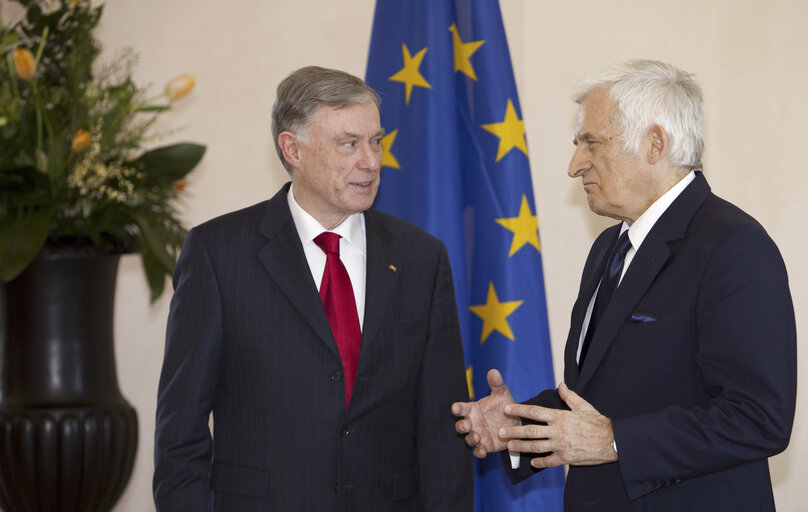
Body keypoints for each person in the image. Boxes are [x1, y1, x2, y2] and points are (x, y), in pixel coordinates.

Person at [452, 59, 796, 511]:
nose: (575, 165)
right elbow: (603, 396)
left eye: (591, 143)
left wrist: (615, 442)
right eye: (578, 145)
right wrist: (516, 426)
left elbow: (758, 418)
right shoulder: (610, 247)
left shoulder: (733, 246)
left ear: (655, 143)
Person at [154, 66, 473, 511]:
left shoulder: (422, 257)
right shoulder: (218, 253)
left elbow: (442, 434)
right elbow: (179, 434)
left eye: (375, 141)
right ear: (293, 149)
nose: (371, 161)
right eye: (349, 144)